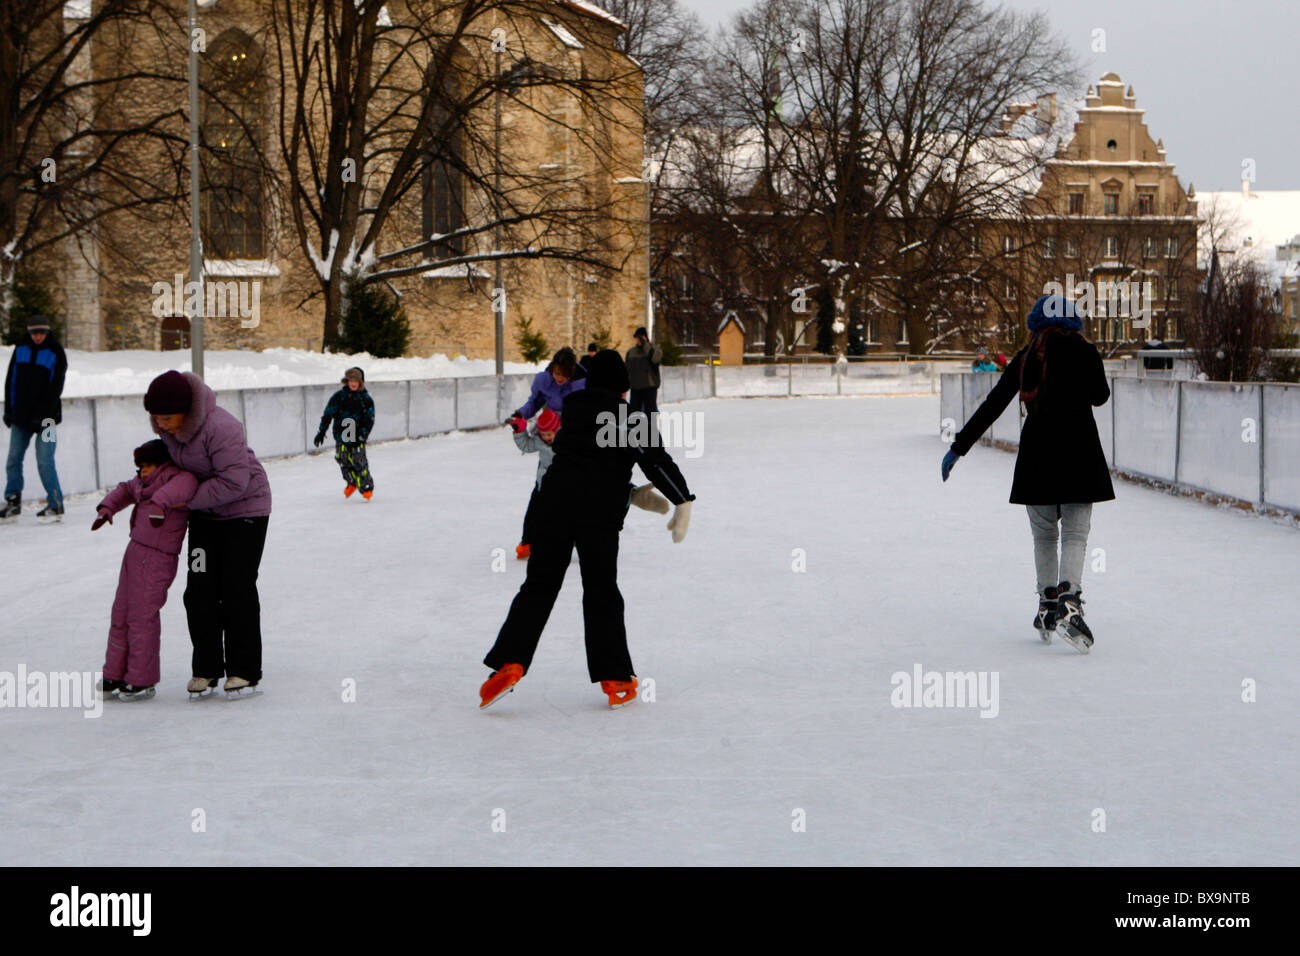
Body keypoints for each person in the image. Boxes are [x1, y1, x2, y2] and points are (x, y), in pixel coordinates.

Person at [480, 350, 694, 710]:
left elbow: (584, 462)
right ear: (622, 388)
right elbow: (653, 458)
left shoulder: (574, 409)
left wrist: (628, 493)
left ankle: (509, 662)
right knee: (601, 590)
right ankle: (614, 676)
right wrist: (682, 498)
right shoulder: (627, 417)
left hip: (553, 507)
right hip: (597, 517)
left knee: (538, 586)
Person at [941, 295, 1113, 653]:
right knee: (1076, 534)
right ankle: (1069, 597)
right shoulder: (1085, 352)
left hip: (1038, 456)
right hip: (1080, 453)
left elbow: (993, 405)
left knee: (1045, 535)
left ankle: (1048, 602)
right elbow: (1100, 397)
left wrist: (959, 447)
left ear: (1036, 322)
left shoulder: (1025, 358)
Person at [144, 370, 272, 697]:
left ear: (187, 410)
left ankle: (243, 670)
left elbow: (234, 481)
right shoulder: (169, 431)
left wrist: (185, 499)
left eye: (167, 418)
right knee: (198, 589)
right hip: (204, 516)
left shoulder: (222, 427)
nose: (161, 424)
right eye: (155, 418)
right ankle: (207, 668)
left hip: (246, 513)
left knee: (235, 587)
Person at [92, 440, 198, 701]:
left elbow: (179, 491)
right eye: (140, 467)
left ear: (162, 463)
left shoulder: (180, 478)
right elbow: (125, 490)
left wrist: (158, 505)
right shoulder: (142, 482)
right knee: (121, 612)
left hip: (158, 556)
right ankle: (114, 673)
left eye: (148, 466)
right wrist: (107, 508)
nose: (142, 472)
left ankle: (141, 679)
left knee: (142, 616)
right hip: (135, 551)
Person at [2, 315, 68, 522]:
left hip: (48, 420)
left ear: (47, 332)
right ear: (29, 333)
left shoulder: (56, 352)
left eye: (41, 333)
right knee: (13, 459)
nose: (38, 337)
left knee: (45, 461)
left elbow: (55, 388)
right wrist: (9, 409)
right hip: (21, 417)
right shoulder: (21, 349)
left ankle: (55, 504)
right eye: (34, 333)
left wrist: (42, 415)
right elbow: (11, 380)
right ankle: (13, 502)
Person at [507, 407, 561, 560]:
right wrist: (519, 432)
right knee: (534, 514)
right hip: (542, 485)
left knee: (563, 517)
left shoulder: (565, 440)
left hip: (563, 486)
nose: (547, 437)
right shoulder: (539, 440)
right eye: (544, 434)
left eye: (550, 434)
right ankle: (527, 543)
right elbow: (525, 445)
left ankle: (572, 542)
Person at [314, 366, 376, 499]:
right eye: (350, 380)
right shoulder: (339, 397)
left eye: (356, 380)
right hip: (342, 435)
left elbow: (369, 419)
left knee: (358, 461)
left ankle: (366, 487)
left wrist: (362, 434)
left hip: (357, 435)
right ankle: (352, 482)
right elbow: (328, 413)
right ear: (347, 381)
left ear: (360, 382)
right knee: (342, 458)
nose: (353, 383)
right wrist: (322, 431)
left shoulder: (365, 399)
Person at [508, 346, 586, 422]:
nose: (560, 378)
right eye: (557, 373)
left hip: (573, 428)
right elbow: (534, 403)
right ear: (552, 369)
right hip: (550, 426)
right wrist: (520, 415)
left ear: (572, 372)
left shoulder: (582, 385)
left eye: (565, 375)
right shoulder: (544, 381)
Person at [624, 327, 663, 416]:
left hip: (649, 387)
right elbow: (627, 369)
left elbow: (655, 359)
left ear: (645, 337)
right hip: (635, 388)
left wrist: (645, 345)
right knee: (634, 414)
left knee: (650, 412)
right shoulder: (631, 352)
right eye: (637, 338)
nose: (638, 340)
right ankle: (635, 429)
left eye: (640, 337)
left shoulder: (654, 349)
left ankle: (651, 429)